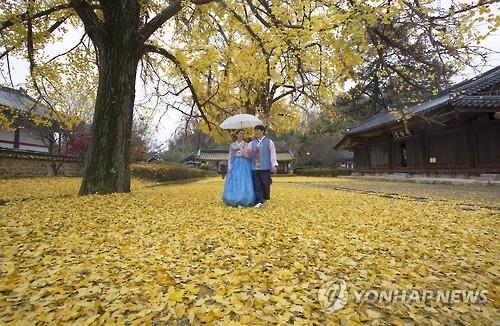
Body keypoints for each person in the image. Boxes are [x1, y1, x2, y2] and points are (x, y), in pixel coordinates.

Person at [222, 129, 256, 207]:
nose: (241, 135)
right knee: (235, 180)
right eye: (240, 133)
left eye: (243, 134)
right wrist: (229, 166)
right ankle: (233, 198)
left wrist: (244, 154)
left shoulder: (247, 145)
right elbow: (230, 156)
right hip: (235, 164)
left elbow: (250, 156)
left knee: (244, 180)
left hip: (244, 164)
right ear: (237, 134)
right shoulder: (232, 145)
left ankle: (244, 198)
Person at [248, 125, 278, 208]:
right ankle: (260, 201)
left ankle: (264, 198)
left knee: (266, 184)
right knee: (257, 185)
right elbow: (248, 156)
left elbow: (273, 154)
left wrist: (274, 165)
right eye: (255, 131)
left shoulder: (269, 142)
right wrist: (249, 153)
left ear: (262, 131)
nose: (255, 133)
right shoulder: (251, 143)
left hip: (265, 167)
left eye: (257, 130)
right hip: (254, 167)